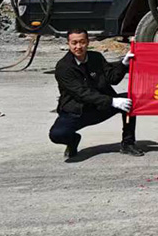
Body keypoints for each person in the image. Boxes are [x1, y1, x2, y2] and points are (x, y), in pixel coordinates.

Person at [49, 29, 143, 160]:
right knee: (57, 134)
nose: (78, 46)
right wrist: (112, 101)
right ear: (68, 44)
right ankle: (73, 141)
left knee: (129, 99)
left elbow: (112, 79)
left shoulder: (96, 57)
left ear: (88, 42)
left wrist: (123, 63)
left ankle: (128, 143)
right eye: (74, 43)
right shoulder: (63, 67)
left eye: (82, 42)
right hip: (77, 112)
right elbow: (81, 93)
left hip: (101, 107)